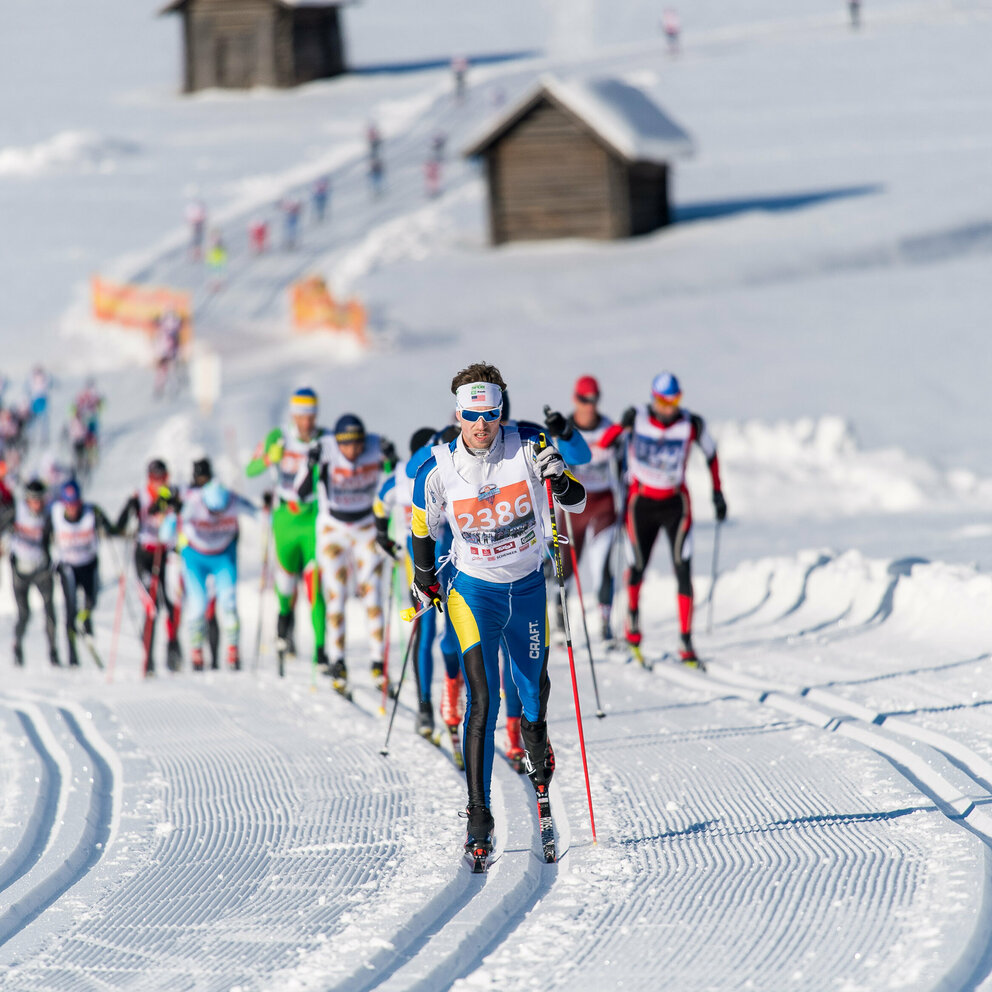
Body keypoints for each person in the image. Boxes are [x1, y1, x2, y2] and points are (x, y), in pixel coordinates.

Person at [411, 362, 586, 862]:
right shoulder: (439, 470)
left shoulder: (528, 451)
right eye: (472, 416)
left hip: (528, 589)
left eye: (490, 416)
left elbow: (576, 500)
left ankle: (538, 751)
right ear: (459, 415)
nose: (482, 426)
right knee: (482, 702)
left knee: (532, 698)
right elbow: (423, 530)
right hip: (474, 595)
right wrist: (425, 581)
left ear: (501, 412)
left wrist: (559, 474)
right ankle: (479, 817)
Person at [598, 371, 726, 664]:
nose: (669, 408)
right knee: (638, 565)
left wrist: (717, 492)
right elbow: (606, 443)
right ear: (653, 399)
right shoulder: (638, 418)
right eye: (663, 401)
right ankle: (632, 627)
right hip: (641, 501)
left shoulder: (690, 424)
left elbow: (712, 453)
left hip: (675, 503)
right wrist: (622, 424)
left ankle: (686, 639)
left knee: (683, 567)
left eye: (675, 401)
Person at [375, 427, 462, 746]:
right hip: (419, 564)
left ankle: (455, 693)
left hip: (450, 559)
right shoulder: (405, 474)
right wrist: (383, 537)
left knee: (454, 633)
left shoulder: (448, 470)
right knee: (424, 633)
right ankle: (424, 706)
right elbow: (380, 503)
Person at [296, 413, 393, 694]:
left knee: (372, 593)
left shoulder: (375, 445)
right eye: (346, 445)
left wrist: (391, 456)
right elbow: (302, 492)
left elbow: (396, 474)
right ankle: (337, 659)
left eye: (357, 444)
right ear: (337, 443)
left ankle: (377, 662)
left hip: (365, 527)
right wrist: (312, 463)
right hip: (333, 529)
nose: (352, 451)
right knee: (335, 595)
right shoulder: (325, 449)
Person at [245, 388, 329, 671]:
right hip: (285, 519)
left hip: (314, 518)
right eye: (302, 416)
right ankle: (284, 629)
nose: (307, 423)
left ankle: (321, 649)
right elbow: (251, 470)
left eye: (311, 416)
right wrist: (270, 457)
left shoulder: (324, 439)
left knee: (315, 584)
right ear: (294, 415)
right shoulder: (278, 437)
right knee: (286, 584)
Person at [166, 459, 257, 671]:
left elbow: (259, 514)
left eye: (221, 511)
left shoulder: (231, 499)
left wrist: (271, 508)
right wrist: (173, 512)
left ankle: (233, 653)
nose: (217, 516)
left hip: (223, 557)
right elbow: (166, 532)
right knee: (197, 606)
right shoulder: (192, 500)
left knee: (229, 604)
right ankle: (196, 654)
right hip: (195, 557)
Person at [549, 375, 619, 643]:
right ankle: (560, 615)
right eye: (583, 400)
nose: (589, 405)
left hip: (602, 504)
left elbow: (622, 467)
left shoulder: (608, 429)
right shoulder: (562, 430)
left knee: (601, 565)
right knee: (565, 566)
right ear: (574, 399)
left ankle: (604, 622)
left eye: (594, 399)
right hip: (572, 506)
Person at [115, 458, 183, 674]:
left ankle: (173, 648)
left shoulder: (173, 493)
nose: (159, 484)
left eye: (162, 479)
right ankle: (149, 660)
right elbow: (120, 525)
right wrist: (131, 508)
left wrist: (175, 506)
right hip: (145, 554)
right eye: (155, 479)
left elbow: (183, 513)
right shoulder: (141, 496)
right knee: (152, 607)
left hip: (167, 554)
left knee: (173, 603)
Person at [47, 478, 118, 666]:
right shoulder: (54, 514)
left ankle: (86, 623)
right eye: (68, 504)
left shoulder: (92, 512)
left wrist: (105, 525)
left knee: (91, 601)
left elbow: (113, 529)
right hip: (67, 566)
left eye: (75, 503)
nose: (72, 507)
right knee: (70, 608)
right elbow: (43, 536)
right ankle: (72, 656)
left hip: (89, 564)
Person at [0, 478, 60, 666]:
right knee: (24, 614)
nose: (37, 504)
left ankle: (53, 653)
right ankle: (17, 647)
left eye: (40, 499)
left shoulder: (49, 513)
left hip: (42, 570)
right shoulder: (16, 511)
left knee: (50, 611)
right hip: (20, 571)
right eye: (34, 499)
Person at [154, 309, 183, 398]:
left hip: (168, 354)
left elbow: (175, 346)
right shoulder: (165, 333)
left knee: (170, 371)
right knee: (164, 372)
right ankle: (161, 388)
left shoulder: (172, 334)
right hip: (165, 354)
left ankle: (170, 389)